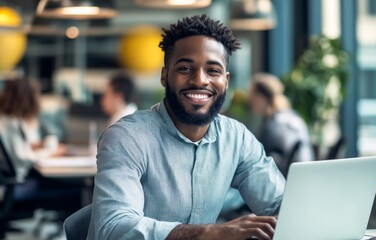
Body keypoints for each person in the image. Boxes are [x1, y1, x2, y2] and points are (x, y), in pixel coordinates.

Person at [88, 14, 285, 240]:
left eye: (213, 70)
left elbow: (279, 205)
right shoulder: (127, 137)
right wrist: (211, 233)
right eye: (185, 68)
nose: (200, 80)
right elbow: (113, 227)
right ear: (165, 76)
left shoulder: (237, 139)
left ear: (226, 80)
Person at [0, 76, 65, 183]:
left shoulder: (7, 119)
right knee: (71, 189)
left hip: (12, 181)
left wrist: (33, 145)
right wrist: (51, 152)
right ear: (27, 99)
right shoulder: (10, 122)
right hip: (17, 182)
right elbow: (22, 157)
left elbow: (13, 149)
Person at [248, 73, 314, 177]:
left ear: (262, 97)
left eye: (252, 95)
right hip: (305, 177)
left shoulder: (274, 124)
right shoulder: (291, 116)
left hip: (288, 183)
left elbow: (263, 161)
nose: (250, 100)